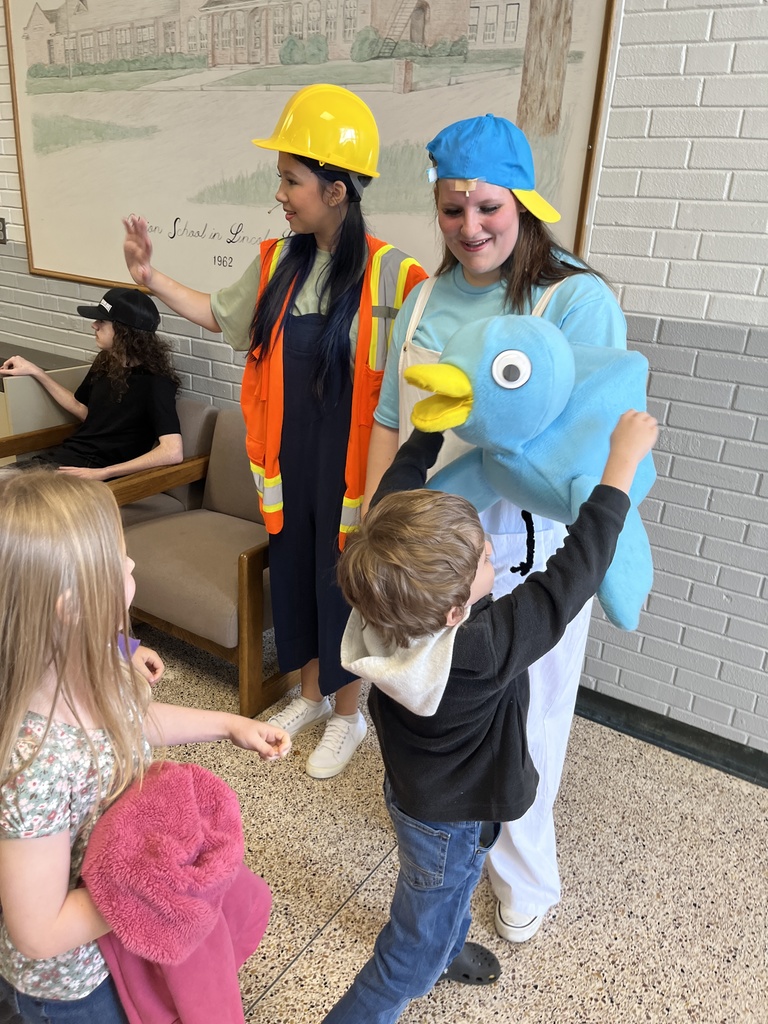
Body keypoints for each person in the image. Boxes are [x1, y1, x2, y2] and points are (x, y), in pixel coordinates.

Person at [363, 113, 629, 942]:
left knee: (531, 715)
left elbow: (591, 436)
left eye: (488, 208)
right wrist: (377, 528)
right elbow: (390, 421)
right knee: (432, 700)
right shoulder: (421, 300)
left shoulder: (573, 298)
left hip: (526, 547)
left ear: (522, 202)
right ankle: (453, 830)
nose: (470, 227)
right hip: (428, 548)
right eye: (451, 209)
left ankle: (525, 875)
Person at [122, 84, 427, 779]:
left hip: (358, 474)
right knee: (296, 577)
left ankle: (350, 716)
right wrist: (150, 278)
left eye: (291, 180)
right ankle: (312, 696)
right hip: (291, 464)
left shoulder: (397, 276)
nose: (282, 194)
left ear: (337, 188)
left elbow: (417, 388)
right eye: (282, 180)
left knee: (347, 587)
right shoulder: (276, 263)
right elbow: (222, 317)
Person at [324, 408, 658, 1024]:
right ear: (453, 613)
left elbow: (398, 486)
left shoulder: (380, 592)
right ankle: (404, 976)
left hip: (424, 795)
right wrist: (622, 465)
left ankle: (445, 942)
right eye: (483, 558)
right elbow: (570, 577)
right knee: (407, 953)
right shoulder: (478, 651)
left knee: (446, 886)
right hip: (448, 817)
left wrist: (429, 425)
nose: (493, 559)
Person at [0, 469, 291, 1024]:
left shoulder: (98, 663)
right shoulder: (33, 766)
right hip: (75, 984)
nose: (133, 565)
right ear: (71, 606)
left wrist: (228, 724)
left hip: (121, 942)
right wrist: (150, 888)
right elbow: (38, 933)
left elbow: (132, 721)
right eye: (121, 558)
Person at [0, 288, 183, 481]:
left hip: (93, 472)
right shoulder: (106, 361)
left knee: (12, 497)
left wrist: (104, 473)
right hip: (66, 458)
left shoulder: (156, 382)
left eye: (102, 321)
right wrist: (36, 371)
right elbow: (82, 409)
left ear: (124, 332)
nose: (93, 325)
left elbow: (173, 450)